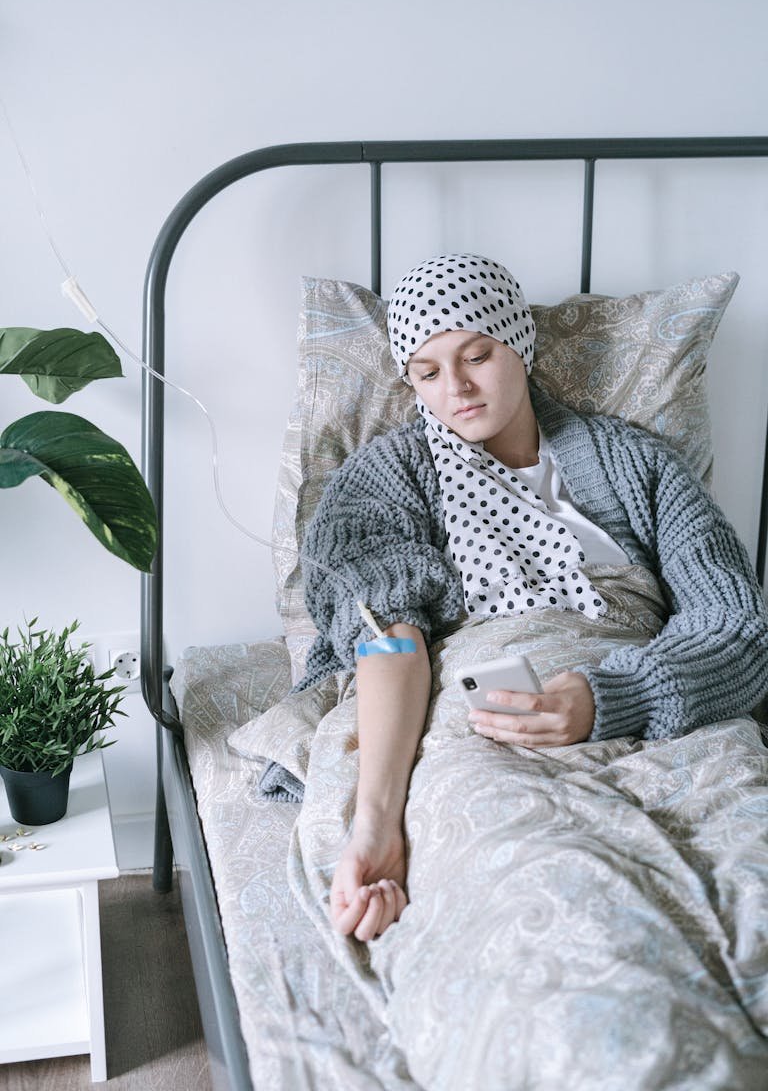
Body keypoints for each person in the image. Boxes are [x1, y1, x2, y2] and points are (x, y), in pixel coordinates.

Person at [295, 253, 768, 945]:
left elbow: (735, 625)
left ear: (518, 342)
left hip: (655, 708)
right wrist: (376, 820)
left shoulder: (637, 464)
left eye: (477, 355)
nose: (455, 387)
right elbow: (387, 638)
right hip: (484, 732)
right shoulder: (384, 482)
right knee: (550, 904)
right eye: (426, 373)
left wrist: (614, 697)